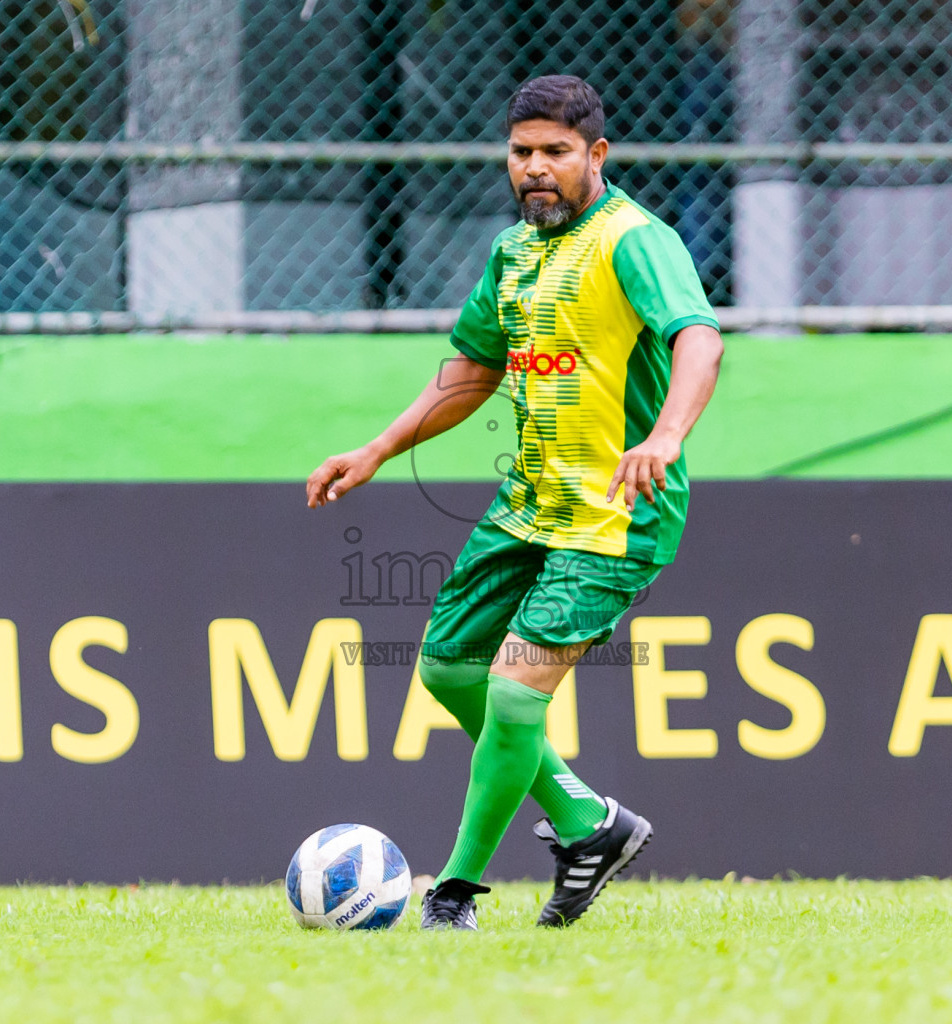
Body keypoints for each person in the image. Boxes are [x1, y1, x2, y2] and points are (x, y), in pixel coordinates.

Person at [305, 75, 724, 930]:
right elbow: (470, 372)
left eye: (556, 153)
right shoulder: (513, 253)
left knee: (512, 694)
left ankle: (452, 892)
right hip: (528, 503)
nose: (536, 168)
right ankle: (588, 824)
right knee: (448, 669)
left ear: (595, 155)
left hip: (617, 508)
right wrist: (378, 448)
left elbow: (699, 337)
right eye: (522, 152)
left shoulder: (634, 240)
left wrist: (668, 435)